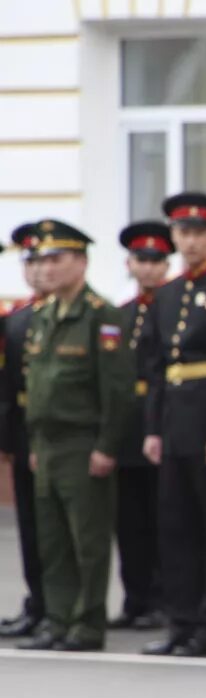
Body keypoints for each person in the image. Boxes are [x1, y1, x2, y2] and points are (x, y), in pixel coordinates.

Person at [18, 219, 136, 652]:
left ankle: (87, 623)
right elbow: (36, 384)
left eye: (57, 259)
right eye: (41, 260)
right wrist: (33, 445)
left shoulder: (101, 315)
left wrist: (106, 446)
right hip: (46, 444)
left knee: (87, 540)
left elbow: (117, 389)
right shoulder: (44, 315)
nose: (47, 269)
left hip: (83, 442)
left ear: (81, 263)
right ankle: (57, 618)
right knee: (53, 541)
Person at [141, 192, 206, 658]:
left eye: (199, 232)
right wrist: (153, 430)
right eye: (183, 233)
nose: (190, 241)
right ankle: (181, 621)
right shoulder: (166, 294)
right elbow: (158, 368)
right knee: (175, 527)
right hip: (175, 423)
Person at [111, 221, 172, 631]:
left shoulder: (172, 307)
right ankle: (135, 598)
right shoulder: (120, 314)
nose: (148, 268)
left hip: (162, 425)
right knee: (128, 522)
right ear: (129, 264)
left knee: (163, 520)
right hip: (128, 428)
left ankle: (163, 599)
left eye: (156, 260)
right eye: (140, 260)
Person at [0, 224, 46, 638]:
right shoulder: (15, 318)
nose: (34, 271)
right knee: (30, 526)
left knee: (58, 528)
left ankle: (60, 606)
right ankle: (36, 602)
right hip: (21, 430)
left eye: (42, 262)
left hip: (56, 432)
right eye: (28, 263)